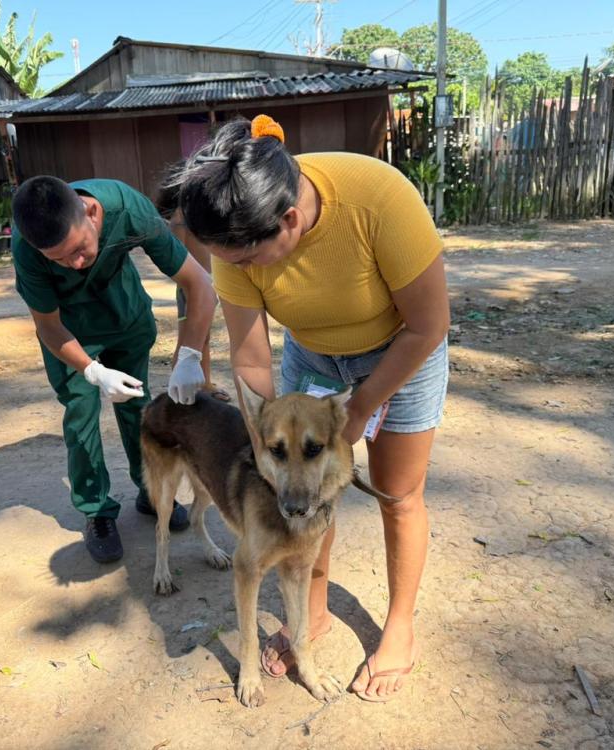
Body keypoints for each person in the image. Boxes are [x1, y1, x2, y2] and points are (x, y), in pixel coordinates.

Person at [172, 115, 450, 702]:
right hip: (315, 354)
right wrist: (263, 450)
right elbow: (251, 364)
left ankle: (398, 629)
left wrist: (362, 407)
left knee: (398, 494)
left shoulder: (379, 200)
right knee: (304, 501)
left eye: (247, 262)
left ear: (290, 220)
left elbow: (429, 323)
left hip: (404, 346)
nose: (239, 271)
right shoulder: (236, 239)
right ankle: (310, 617)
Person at [11, 175, 216, 563]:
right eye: (60, 260)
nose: (75, 264)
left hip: (124, 317)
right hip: (71, 334)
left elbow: (199, 284)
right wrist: (92, 371)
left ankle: (151, 492)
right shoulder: (27, 246)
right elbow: (48, 326)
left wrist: (189, 356)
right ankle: (97, 511)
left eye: (80, 249)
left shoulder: (128, 208)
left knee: (135, 407)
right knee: (81, 415)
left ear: (90, 213)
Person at [155, 166, 229, 402]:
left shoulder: (196, 214)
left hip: (207, 284)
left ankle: (204, 384)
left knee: (201, 337)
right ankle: (182, 392)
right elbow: (175, 257)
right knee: (190, 339)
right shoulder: (180, 219)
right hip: (192, 287)